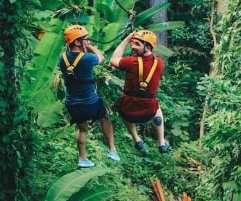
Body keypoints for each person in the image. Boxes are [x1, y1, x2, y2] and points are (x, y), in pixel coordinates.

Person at [59, 24, 120, 168]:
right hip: (90, 102)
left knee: (82, 128)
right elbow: (101, 57)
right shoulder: (87, 59)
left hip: (73, 103)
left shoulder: (62, 59)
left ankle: (82, 158)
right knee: (105, 116)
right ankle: (112, 149)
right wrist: (91, 47)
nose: (87, 41)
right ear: (77, 42)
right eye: (85, 39)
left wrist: (84, 44)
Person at [109, 30, 170, 153]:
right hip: (149, 111)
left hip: (129, 111)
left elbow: (113, 59)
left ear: (147, 47)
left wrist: (126, 40)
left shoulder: (131, 62)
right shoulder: (159, 62)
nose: (133, 46)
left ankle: (136, 138)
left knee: (123, 104)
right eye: (132, 43)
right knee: (155, 105)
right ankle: (161, 142)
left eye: (137, 44)